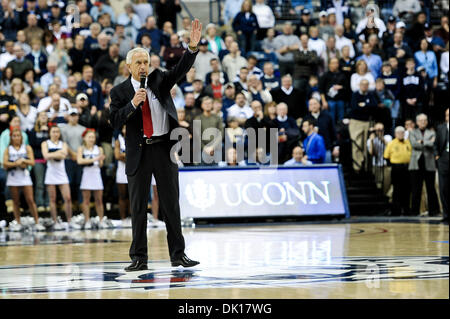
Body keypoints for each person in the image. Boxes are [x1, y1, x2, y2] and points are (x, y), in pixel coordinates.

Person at [109, 19, 203, 271]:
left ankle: (178, 255)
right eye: (138, 62)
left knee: (171, 204)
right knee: (138, 207)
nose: (143, 66)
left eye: (146, 62)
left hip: (164, 148)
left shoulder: (160, 79)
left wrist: (191, 49)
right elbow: (114, 121)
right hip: (139, 151)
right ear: (128, 66)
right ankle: (139, 258)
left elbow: (180, 69)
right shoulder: (119, 92)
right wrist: (132, 105)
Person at [3, 126, 45, 232]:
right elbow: (5, 164)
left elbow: (32, 162)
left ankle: (37, 222)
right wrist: (15, 163)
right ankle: (18, 222)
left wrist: (24, 162)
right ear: (11, 138)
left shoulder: (27, 148)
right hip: (13, 176)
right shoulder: (8, 149)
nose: (16, 138)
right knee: (15, 201)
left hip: (25, 176)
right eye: (14, 136)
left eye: (18, 136)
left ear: (22, 137)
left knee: (30, 200)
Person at [42, 124, 78, 230]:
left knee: (68, 198)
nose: (55, 134)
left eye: (57, 132)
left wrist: (52, 154)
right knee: (52, 199)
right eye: (53, 131)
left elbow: (63, 155)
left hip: (62, 174)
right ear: (50, 133)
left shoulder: (63, 144)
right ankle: (55, 222)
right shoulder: (45, 143)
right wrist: (58, 152)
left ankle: (69, 221)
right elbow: (45, 156)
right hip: (51, 174)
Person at [77, 128, 109, 229]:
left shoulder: (99, 149)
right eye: (89, 137)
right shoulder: (81, 149)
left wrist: (100, 160)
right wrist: (95, 159)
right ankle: (87, 220)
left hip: (96, 174)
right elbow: (80, 161)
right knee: (86, 200)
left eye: (93, 137)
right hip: (86, 174)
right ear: (85, 138)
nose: (91, 139)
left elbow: (100, 164)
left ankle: (101, 220)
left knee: (99, 200)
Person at [408, 113, 440, 216]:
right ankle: (414, 211)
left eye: (425, 120)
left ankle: (433, 211)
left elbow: (433, 144)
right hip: (416, 164)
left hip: (429, 164)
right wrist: (427, 142)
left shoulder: (432, 132)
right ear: (417, 122)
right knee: (416, 189)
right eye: (421, 120)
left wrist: (421, 141)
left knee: (431, 188)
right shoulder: (413, 132)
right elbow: (414, 144)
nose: (423, 122)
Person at [349, 79, 378, 172]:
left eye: (366, 85)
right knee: (357, 144)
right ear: (359, 85)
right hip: (356, 122)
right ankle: (356, 166)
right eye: (363, 84)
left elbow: (374, 106)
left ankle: (366, 167)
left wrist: (363, 105)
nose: (364, 86)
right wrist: (366, 106)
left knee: (367, 145)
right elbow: (355, 107)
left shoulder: (371, 95)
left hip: (367, 122)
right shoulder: (355, 95)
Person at [384, 126, 412, 216]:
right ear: (395, 134)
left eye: (402, 132)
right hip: (396, 168)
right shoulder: (391, 143)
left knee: (407, 190)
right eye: (399, 133)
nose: (401, 134)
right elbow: (386, 156)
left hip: (407, 168)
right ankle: (396, 211)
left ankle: (406, 210)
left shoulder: (408, 143)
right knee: (396, 190)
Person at [115, 124, 131, 227]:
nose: (126, 130)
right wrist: (129, 156)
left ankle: (131, 217)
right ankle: (123, 218)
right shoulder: (118, 140)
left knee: (132, 196)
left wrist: (124, 155)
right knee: (122, 196)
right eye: (124, 128)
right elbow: (117, 155)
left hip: (132, 170)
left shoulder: (135, 139)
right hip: (121, 171)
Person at [434, 108, 449, 223]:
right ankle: (446, 214)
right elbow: (436, 144)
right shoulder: (441, 128)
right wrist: (437, 156)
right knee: (443, 188)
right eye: (447, 115)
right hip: (443, 159)